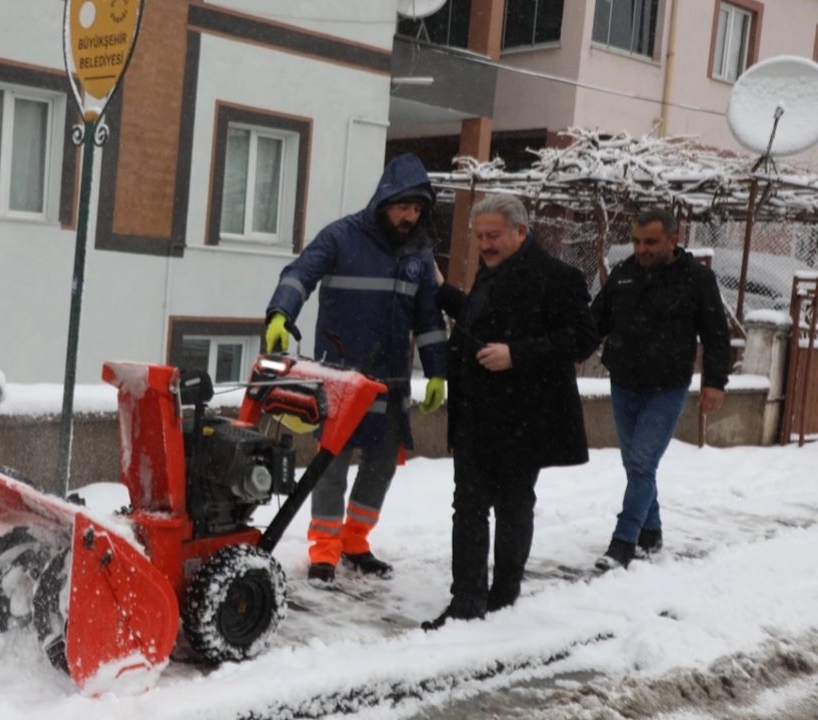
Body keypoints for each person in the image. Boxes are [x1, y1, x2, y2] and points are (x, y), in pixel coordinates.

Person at [263, 153, 448, 586]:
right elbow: (300, 273)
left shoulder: (419, 253)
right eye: (403, 206)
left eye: (416, 209)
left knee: (381, 467)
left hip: (391, 382)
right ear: (384, 200)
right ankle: (324, 550)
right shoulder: (341, 237)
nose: (409, 216)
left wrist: (437, 371)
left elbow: (429, 319)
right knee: (331, 467)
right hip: (340, 380)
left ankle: (356, 542)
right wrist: (280, 313)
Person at [423, 194, 598, 630]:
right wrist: (443, 291)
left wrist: (517, 354)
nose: (485, 244)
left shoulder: (558, 277)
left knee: (513, 506)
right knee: (468, 506)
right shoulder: (491, 271)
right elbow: (477, 320)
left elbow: (582, 339)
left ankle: (503, 596)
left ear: (521, 231)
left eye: (493, 236)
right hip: (475, 413)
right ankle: (466, 601)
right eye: (480, 236)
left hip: (524, 417)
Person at [590, 208, 732, 570]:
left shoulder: (697, 279)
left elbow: (717, 335)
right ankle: (651, 532)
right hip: (624, 382)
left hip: (667, 387)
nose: (642, 249)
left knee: (641, 462)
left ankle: (623, 542)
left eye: (651, 242)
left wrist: (714, 383)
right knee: (635, 464)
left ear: (673, 239)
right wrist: (562, 349)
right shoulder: (623, 274)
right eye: (636, 241)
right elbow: (595, 322)